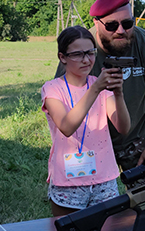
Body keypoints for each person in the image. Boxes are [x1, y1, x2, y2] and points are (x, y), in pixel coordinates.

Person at [55, 0, 145, 168]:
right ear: (96, 23)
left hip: (135, 139)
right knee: (87, 187)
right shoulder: (79, 49)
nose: (121, 31)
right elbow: (62, 105)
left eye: (127, 23)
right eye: (111, 25)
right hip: (88, 142)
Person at [41, 26, 130, 216]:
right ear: (62, 57)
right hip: (68, 181)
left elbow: (123, 127)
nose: (86, 60)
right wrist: (96, 88)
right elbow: (66, 127)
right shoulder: (52, 89)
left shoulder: (99, 85)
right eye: (77, 54)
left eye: (90, 53)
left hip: (104, 178)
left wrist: (119, 94)